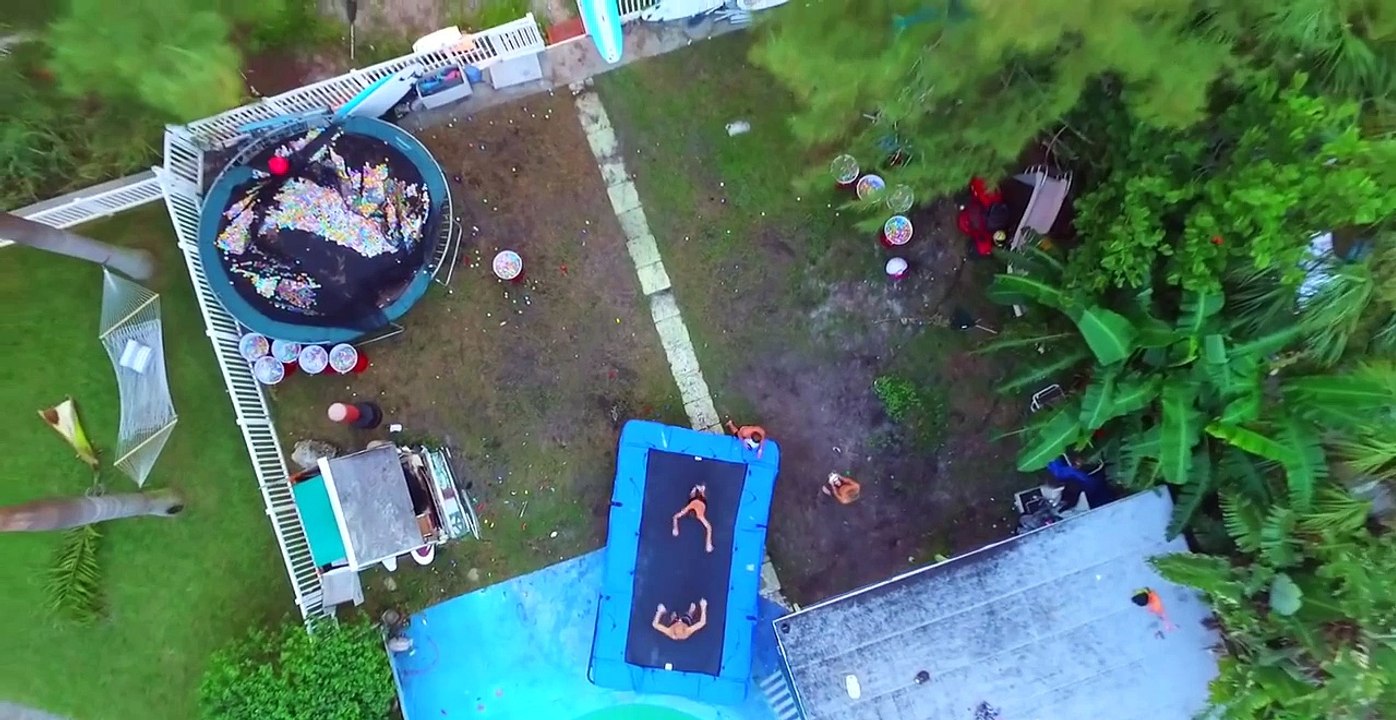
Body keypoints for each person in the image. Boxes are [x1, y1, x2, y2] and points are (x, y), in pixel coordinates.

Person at [672, 484, 714, 553]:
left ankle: (699, 490)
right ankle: (698, 489)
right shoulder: (690, 509)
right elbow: (709, 527)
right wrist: (708, 543)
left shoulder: (699, 515)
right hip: (697, 500)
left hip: (700, 500)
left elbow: (675, 517)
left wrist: (675, 527)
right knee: (693, 498)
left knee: (696, 498)